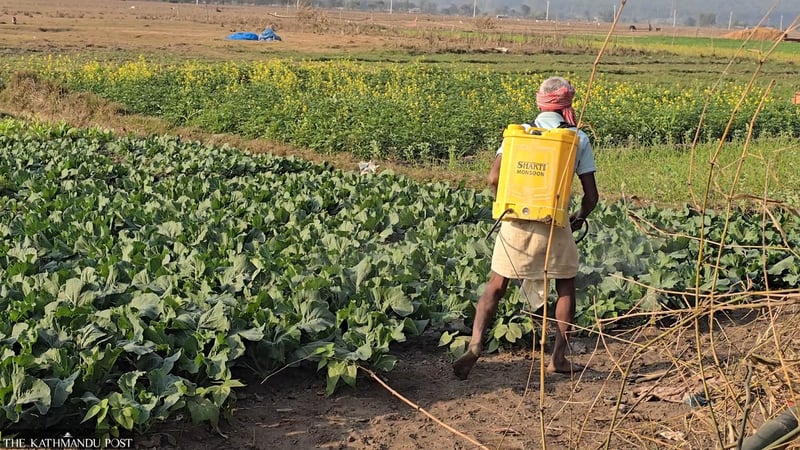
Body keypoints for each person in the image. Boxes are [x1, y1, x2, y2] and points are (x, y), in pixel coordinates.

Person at [453, 76, 599, 380]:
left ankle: (476, 344)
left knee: (496, 285)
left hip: (515, 220)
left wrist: (508, 205)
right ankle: (558, 358)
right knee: (565, 285)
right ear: (567, 104)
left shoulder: (516, 135)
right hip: (554, 222)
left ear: (540, 101)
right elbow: (591, 196)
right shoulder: (577, 138)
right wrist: (578, 217)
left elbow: (493, 179)